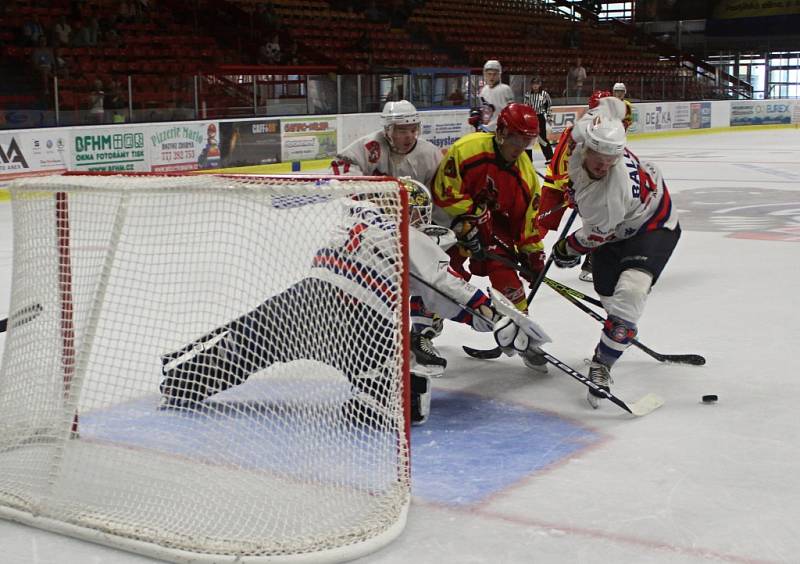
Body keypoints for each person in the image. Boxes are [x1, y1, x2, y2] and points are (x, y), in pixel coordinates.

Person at [158, 181, 548, 426]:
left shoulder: (355, 213)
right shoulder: (412, 237)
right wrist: (494, 318)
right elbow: (444, 288)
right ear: (415, 214)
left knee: (244, 347)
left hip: (304, 301)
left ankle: (182, 382)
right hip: (361, 320)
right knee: (400, 407)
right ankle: (373, 397)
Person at [549, 97, 680, 408]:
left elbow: (595, 234)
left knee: (630, 295)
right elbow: (612, 106)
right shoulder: (588, 128)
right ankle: (617, 328)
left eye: (613, 156)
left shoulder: (609, 192)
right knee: (609, 295)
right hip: (616, 226)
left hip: (655, 223)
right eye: (600, 155)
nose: (605, 163)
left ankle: (603, 363)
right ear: (587, 144)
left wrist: (566, 247)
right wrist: (615, 103)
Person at [329, 100, 445, 373]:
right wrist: (371, 198)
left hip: (415, 231)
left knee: (427, 278)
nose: (409, 136)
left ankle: (422, 336)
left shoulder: (430, 154)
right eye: (401, 130)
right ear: (388, 129)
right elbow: (341, 171)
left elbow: (438, 195)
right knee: (373, 286)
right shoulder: (370, 147)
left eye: (412, 129)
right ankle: (369, 341)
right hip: (374, 232)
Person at [432, 102, 548, 373]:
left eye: (527, 139)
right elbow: (444, 191)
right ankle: (427, 324)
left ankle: (523, 331)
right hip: (450, 222)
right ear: (501, 132)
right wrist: (470, 219)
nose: (520, 146)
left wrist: (533, 256)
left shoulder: (526, 177)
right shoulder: (467, 149)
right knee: (441, 272)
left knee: (505, 272)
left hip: (493, 227)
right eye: (516, 137)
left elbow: (526, 224)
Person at [537, 89, 611, 283]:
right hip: (557, 185)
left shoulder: (608, 134)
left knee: (603, 222)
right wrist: (569, 187)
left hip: (583, 189)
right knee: (540, 225)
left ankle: (591, 263)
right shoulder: (576, 132)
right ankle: (525, 254)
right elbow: (559, 164)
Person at [522, 76, 553, 163]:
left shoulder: (544, 94)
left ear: (540, 85)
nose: (535, 86)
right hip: (531, 117)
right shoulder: (527, 94)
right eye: (533, 84)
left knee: (542, 138)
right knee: (529, 137)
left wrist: (549, 117)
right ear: (531, 85)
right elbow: (525, 107)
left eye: (537, 84)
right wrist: (525, 118)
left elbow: (549, 107)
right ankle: (528, 159)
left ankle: (550, 157)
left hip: (540, 117)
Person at [478, 60, 514, 132]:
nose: (492, 77)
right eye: (489, 74)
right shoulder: (483, 90)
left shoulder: (505, 89)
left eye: (494, 74)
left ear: (499, 74)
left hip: (502, 129)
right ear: (485, 74)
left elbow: (511, 111)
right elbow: (484, 111)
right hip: (486, 129)